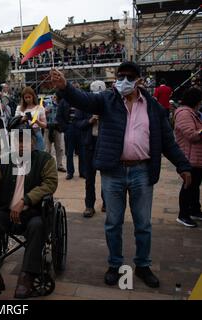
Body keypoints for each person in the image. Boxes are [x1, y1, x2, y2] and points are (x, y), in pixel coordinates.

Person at [51, 62, 192, 289]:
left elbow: (167, 141)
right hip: (113, 171)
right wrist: (65, 86)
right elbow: (83, 99)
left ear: (139, 80)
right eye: (120, 76)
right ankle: (115, 264)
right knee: (113, 222)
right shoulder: (107, 100)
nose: (122, 81)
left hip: (142, 171)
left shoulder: (153, 107)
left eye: (128, 77)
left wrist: (183, 166)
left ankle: (143, 265)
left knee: (143, 224)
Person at [0, 116, 58, 299]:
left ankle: (26, 278)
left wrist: (25, 201)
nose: (21, 145)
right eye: (17, 141)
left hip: (32, 213)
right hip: (6, 212)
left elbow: (49, 184)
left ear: (34, 141)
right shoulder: (4, 160)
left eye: (25, 140)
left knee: (37, 226)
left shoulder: (45, 159)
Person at [75, 81, 107, 218]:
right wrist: (90, 121)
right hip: (89, 144)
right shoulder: (84, 105)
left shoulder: (109, 104)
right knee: (89, 177)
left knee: (107, 176)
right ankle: (89, 205)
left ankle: (107, 202)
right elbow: (77, 123)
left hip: (105, 144)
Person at [174, 87, 202, 227]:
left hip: (195, 156)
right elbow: (191, 135)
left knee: (195, 185)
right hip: (188, 156)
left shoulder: (192, 113)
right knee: (188, 185)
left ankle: (195, 210)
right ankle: (183, 214)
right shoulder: (184, 114)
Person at [56, 85, 85, 180]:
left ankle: (82, 172)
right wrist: (65, 128)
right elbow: (59, 116)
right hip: (69, 127)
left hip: (80, 127)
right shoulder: (63, 102)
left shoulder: (82, 101)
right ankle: (70, 172)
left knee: (82, 151)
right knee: (69, 152)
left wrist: (84, 125)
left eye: (77, 89)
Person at [15, 87, 47, 152]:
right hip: (23, 134)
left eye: (29, 97)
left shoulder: (40, 108)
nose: (28, 99)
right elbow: (15, 122)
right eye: (25, 98)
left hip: (36, 133)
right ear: (23, 98)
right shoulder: (19, 108)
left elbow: (44, 125)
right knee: (26, 157)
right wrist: (22, 119)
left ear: (33, 96)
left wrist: (37, 121)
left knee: (39, 155)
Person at [44, 94, 66, 172]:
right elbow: (42, 117)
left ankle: (59, 165)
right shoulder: (48, 105)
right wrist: (45, 112)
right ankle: (48, 166)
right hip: (48, 127)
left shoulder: (61, 106)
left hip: (57, 127)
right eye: (54, 97)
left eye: (56, 97)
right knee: (48, 148)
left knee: (59, 148)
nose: (55, 99)